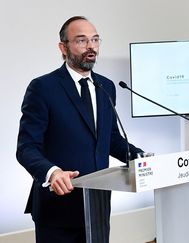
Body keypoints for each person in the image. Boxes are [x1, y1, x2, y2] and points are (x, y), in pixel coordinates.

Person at [16, 16, 143, 243]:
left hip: (97, 205)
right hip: (57, 209)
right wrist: (52, 172)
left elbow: (110, 137)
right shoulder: (43, 87)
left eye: (95, 40)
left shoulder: (106, 86)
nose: (91, 46)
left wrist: (140, 157)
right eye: (82, 41)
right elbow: (26, 148)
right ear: (63, 47)